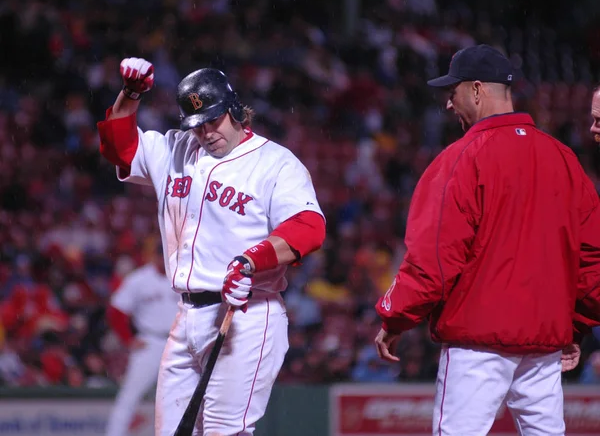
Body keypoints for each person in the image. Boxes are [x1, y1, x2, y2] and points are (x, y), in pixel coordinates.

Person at [373, 44, 600, 436]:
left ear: (476, 90)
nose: (449, 104)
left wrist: (395, 317)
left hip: (477, 347)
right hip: (544, 349)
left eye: (453, 92)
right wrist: (574, 327)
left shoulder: (462, 158)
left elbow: (434, 260)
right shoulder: (564, 159)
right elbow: (592, 259)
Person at [97, 57, 326, 436]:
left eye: (213, 120)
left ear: (235, 110)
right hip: (184, 316)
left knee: (224, 431)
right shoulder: (175, 148)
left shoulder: (275, 163)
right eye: (196, 124)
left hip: (246, 315)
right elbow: (118, 149)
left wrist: (252, 261)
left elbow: (309, 227)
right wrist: (131, 95)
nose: (205, 132)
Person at [105, 239, 179, 436]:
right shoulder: (139, 279)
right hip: (150, 342)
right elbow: (116, 311)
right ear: (153, 256)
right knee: (129, 397)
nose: (164, 259)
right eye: (160, 254)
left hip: (178, 343)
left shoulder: (182, 276)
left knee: (178, 399)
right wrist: (128, 339)